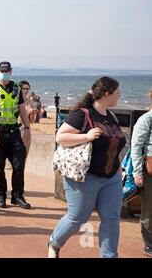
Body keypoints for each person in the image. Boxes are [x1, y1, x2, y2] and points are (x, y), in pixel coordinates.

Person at [48, 76, 126, 258]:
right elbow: (60, 137)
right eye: (117, 93)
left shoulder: (112, 116)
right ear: (106, 94)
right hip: (85, 176)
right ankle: (54, 243)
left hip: (112, 177)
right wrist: (87, 136)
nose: (120, 96)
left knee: (112, 220)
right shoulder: (83, 114)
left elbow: (115, 144)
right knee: (77, 218)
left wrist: (119, 167)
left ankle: (109, 256)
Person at [0, 62, 31, 209]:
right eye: (2, 71)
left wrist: (27, 128)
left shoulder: (16, 88)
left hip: (14, 132)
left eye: (6, 71)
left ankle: (17, 196)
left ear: (11, 71)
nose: (4, 73)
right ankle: (1, 196)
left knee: (19, 165)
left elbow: (22, 109)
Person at [130, 88, 152, 257]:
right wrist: (137, 173)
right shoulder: (146, 120)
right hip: (149, 171)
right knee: (149, 209)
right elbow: (136, 147)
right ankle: (149, 243)